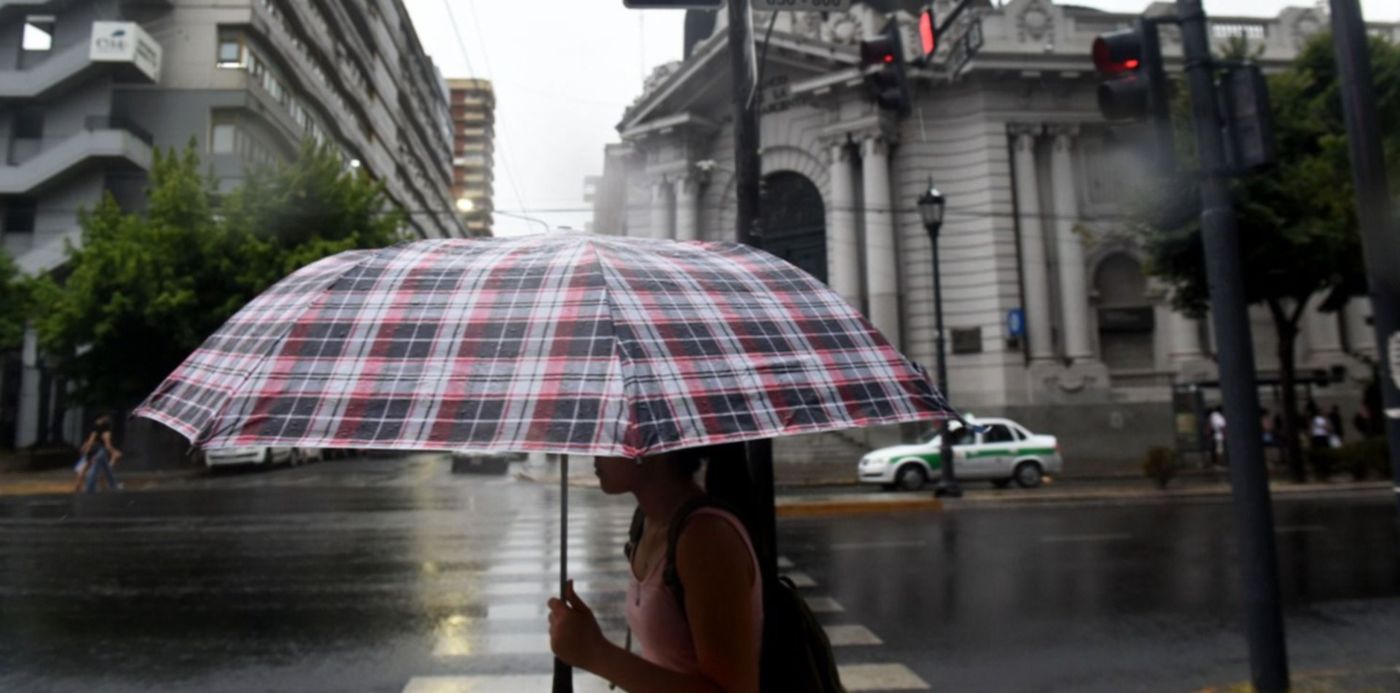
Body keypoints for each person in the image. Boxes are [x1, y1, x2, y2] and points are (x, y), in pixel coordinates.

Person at [548, 446, 763, 693]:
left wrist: (597, 653)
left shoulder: (704, 537)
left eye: (611, 439)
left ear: (649, 449)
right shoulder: (648, 523)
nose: (594, 453)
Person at [74, 415, 123, 493]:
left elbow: (90, 441)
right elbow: (107, 445)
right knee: (102, 469)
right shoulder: (106, 431)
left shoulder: (95, 430)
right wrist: (114, 452)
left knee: (87, 468)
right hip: (99, 450)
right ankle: (93, 488)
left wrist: (86, 448)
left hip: (92, 450)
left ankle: (79, 486)